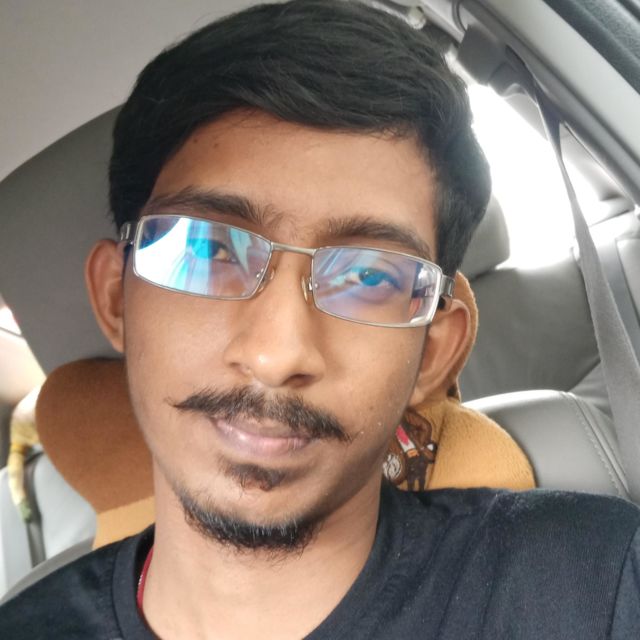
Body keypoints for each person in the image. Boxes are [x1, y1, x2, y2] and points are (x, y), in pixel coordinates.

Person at [1, 1, 639, 638]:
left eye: (369, 277)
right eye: (208, 250)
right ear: (118, 298)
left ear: (433, 353)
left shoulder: (596, 587)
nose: (277, 355)